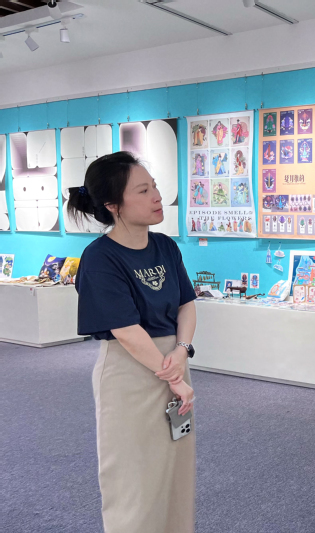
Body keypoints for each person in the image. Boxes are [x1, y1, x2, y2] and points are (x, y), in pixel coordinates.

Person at [67, 152, 198, 533]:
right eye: (143, 190)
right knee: (134, 476)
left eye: (154, 186)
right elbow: (125, 330)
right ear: (113, 205)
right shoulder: (100, 258)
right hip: (131, 373)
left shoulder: (165, 246)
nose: (157, 196)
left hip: (174, 365)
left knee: (176, 471)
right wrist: (172, 373)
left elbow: (187, 304)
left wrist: (181, 353)